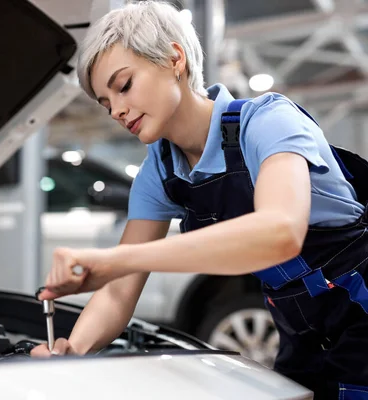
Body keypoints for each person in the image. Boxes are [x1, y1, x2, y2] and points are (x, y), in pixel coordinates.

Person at [30, 1, 368, 398]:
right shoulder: (161, 172)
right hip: (302, 333)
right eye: (106, 104)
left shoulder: (267, 122)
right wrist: (73, 349)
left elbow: (280, 232)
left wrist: (114, 259)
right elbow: (120, 290)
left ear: (174, 59)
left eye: (123, 86)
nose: (118, 110)